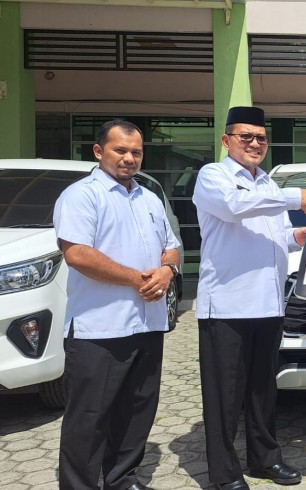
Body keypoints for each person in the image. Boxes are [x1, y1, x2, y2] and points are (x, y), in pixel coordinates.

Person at [193, 106, 306, 490]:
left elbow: (275, 235)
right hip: (227, 305)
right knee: (225, 396)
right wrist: (296, 196)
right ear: (226, 140)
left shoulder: (268, 182)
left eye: (261, 138)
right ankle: (224, 475)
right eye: (246, 136)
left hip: (268, 303)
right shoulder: (213, 176)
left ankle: (265, 460)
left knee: (263, 390)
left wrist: (298, 236)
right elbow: (234, 208)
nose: (254, 143)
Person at [54, 120, 181, 490]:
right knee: (89, 417)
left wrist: (168, 270)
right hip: (100, 327)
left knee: (138, 409)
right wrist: (136, 279)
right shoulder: (81, 195)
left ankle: (122, 478)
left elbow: (171, 246)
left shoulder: (149, 198)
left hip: (148, 323)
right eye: (120, 150)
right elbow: (77, 254)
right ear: (99, 151)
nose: (129, 158)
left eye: (136, 152)